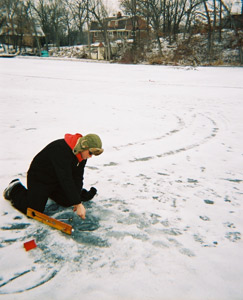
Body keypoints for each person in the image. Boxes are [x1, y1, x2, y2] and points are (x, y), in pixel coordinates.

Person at [3, 133, 103, 220]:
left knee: (68, 201)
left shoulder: (81, 155)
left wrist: (77, 198)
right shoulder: (61, 150)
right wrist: (78, 203)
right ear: (84, 146)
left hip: (56, 180)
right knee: (34, 211)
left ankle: (49, 194)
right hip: (40, 178)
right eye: (90, 153)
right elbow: (66, 178)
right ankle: (14, 188)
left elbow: (77, 177)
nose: (90, 156)